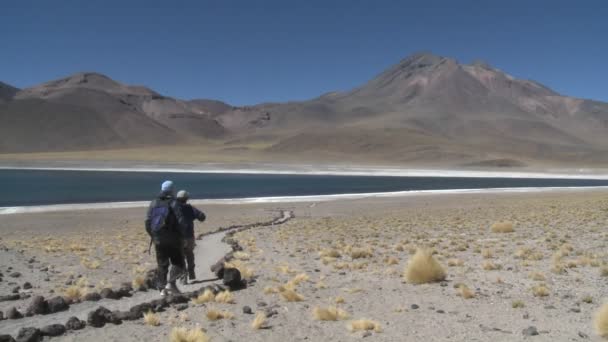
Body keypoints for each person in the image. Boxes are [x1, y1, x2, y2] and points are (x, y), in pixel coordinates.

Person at [145, 180, 188, 296]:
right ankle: (171, 284)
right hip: (173, 239)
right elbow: (181, 221)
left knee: (162, 264)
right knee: (179, 263)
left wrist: (154, 236)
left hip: (158, 240)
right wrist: (183, 237)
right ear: (172, 190)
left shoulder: (153, 203)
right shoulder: (174, 203)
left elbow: (147, 222)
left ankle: (162, 289)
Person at [175, 190, 206, 284]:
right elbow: (202, 217)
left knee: (180, 257)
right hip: (189, 235)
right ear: (186, 199)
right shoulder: (190, 208)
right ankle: (191, 273)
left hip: (178, 236)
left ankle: (183, 279)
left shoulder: (173, 208)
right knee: (189, 254)